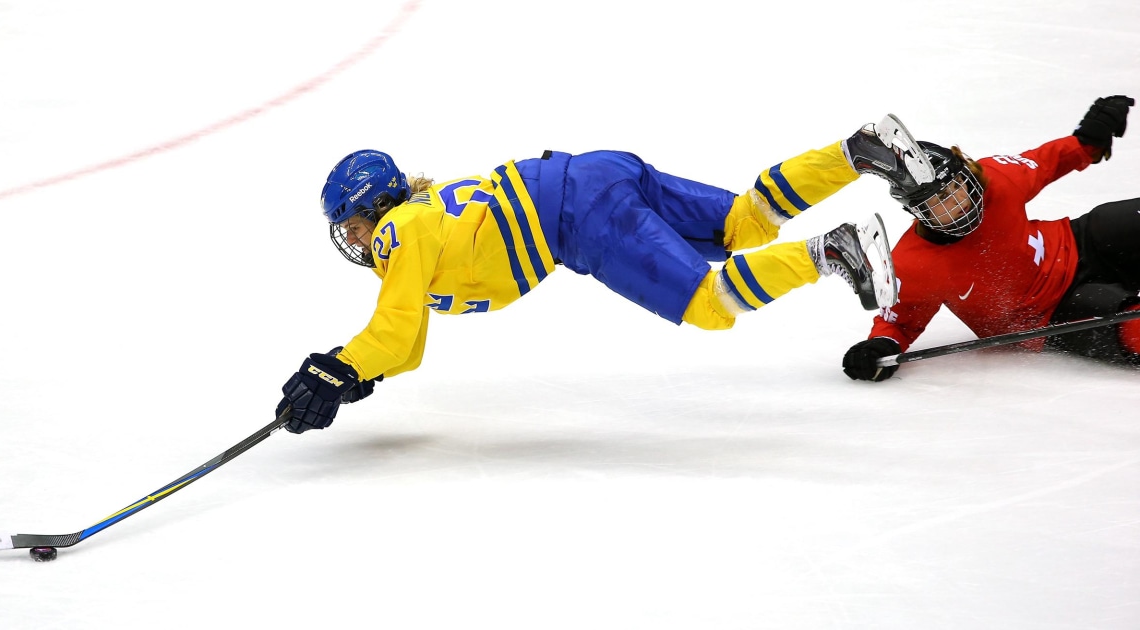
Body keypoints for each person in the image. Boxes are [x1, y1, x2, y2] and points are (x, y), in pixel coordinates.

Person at [275, 117, 928, 434]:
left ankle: (832, 250)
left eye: (351, 224)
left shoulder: (399, 232)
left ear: (371, 209)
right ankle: (858, 151)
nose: (354, 240)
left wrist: (337, 367)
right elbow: (405, 344)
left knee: (708, 303)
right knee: (742, 224)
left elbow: (392, 328)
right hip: (593, 173)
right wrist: (356, 370)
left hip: (578, 214)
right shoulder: (421, 216)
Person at [841, 95, 1138, 382]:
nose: (956, 201)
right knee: (1133, 329)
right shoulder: (914, 262)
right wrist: (879, 347)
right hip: (1050, 315)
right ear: (918, 212)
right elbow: (899, 322)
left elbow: (1044, 163)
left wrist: (1088, 141)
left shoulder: (995, 180)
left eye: (956, 186)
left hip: (1077, 242)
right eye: (938, 201)